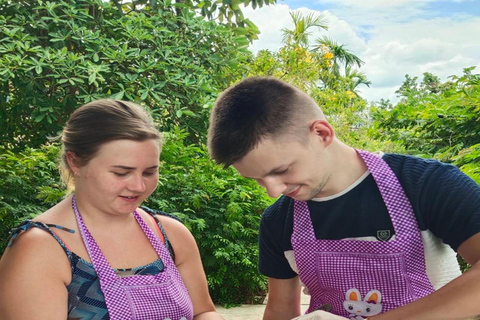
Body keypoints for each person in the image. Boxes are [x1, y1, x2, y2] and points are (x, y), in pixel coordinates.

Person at [207, 76, 480, 320]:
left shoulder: (426, 184)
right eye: (256, 179)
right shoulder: (278, 220)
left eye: (281, 170)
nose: (273, 190)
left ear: (321, 134)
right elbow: (280, 311)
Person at [0, 99, 224, 320]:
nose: (139, 186)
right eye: (121, 173)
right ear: (75, 162)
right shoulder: (40, 247)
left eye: (149, 172)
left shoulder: (171, 233)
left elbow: (202, 311)